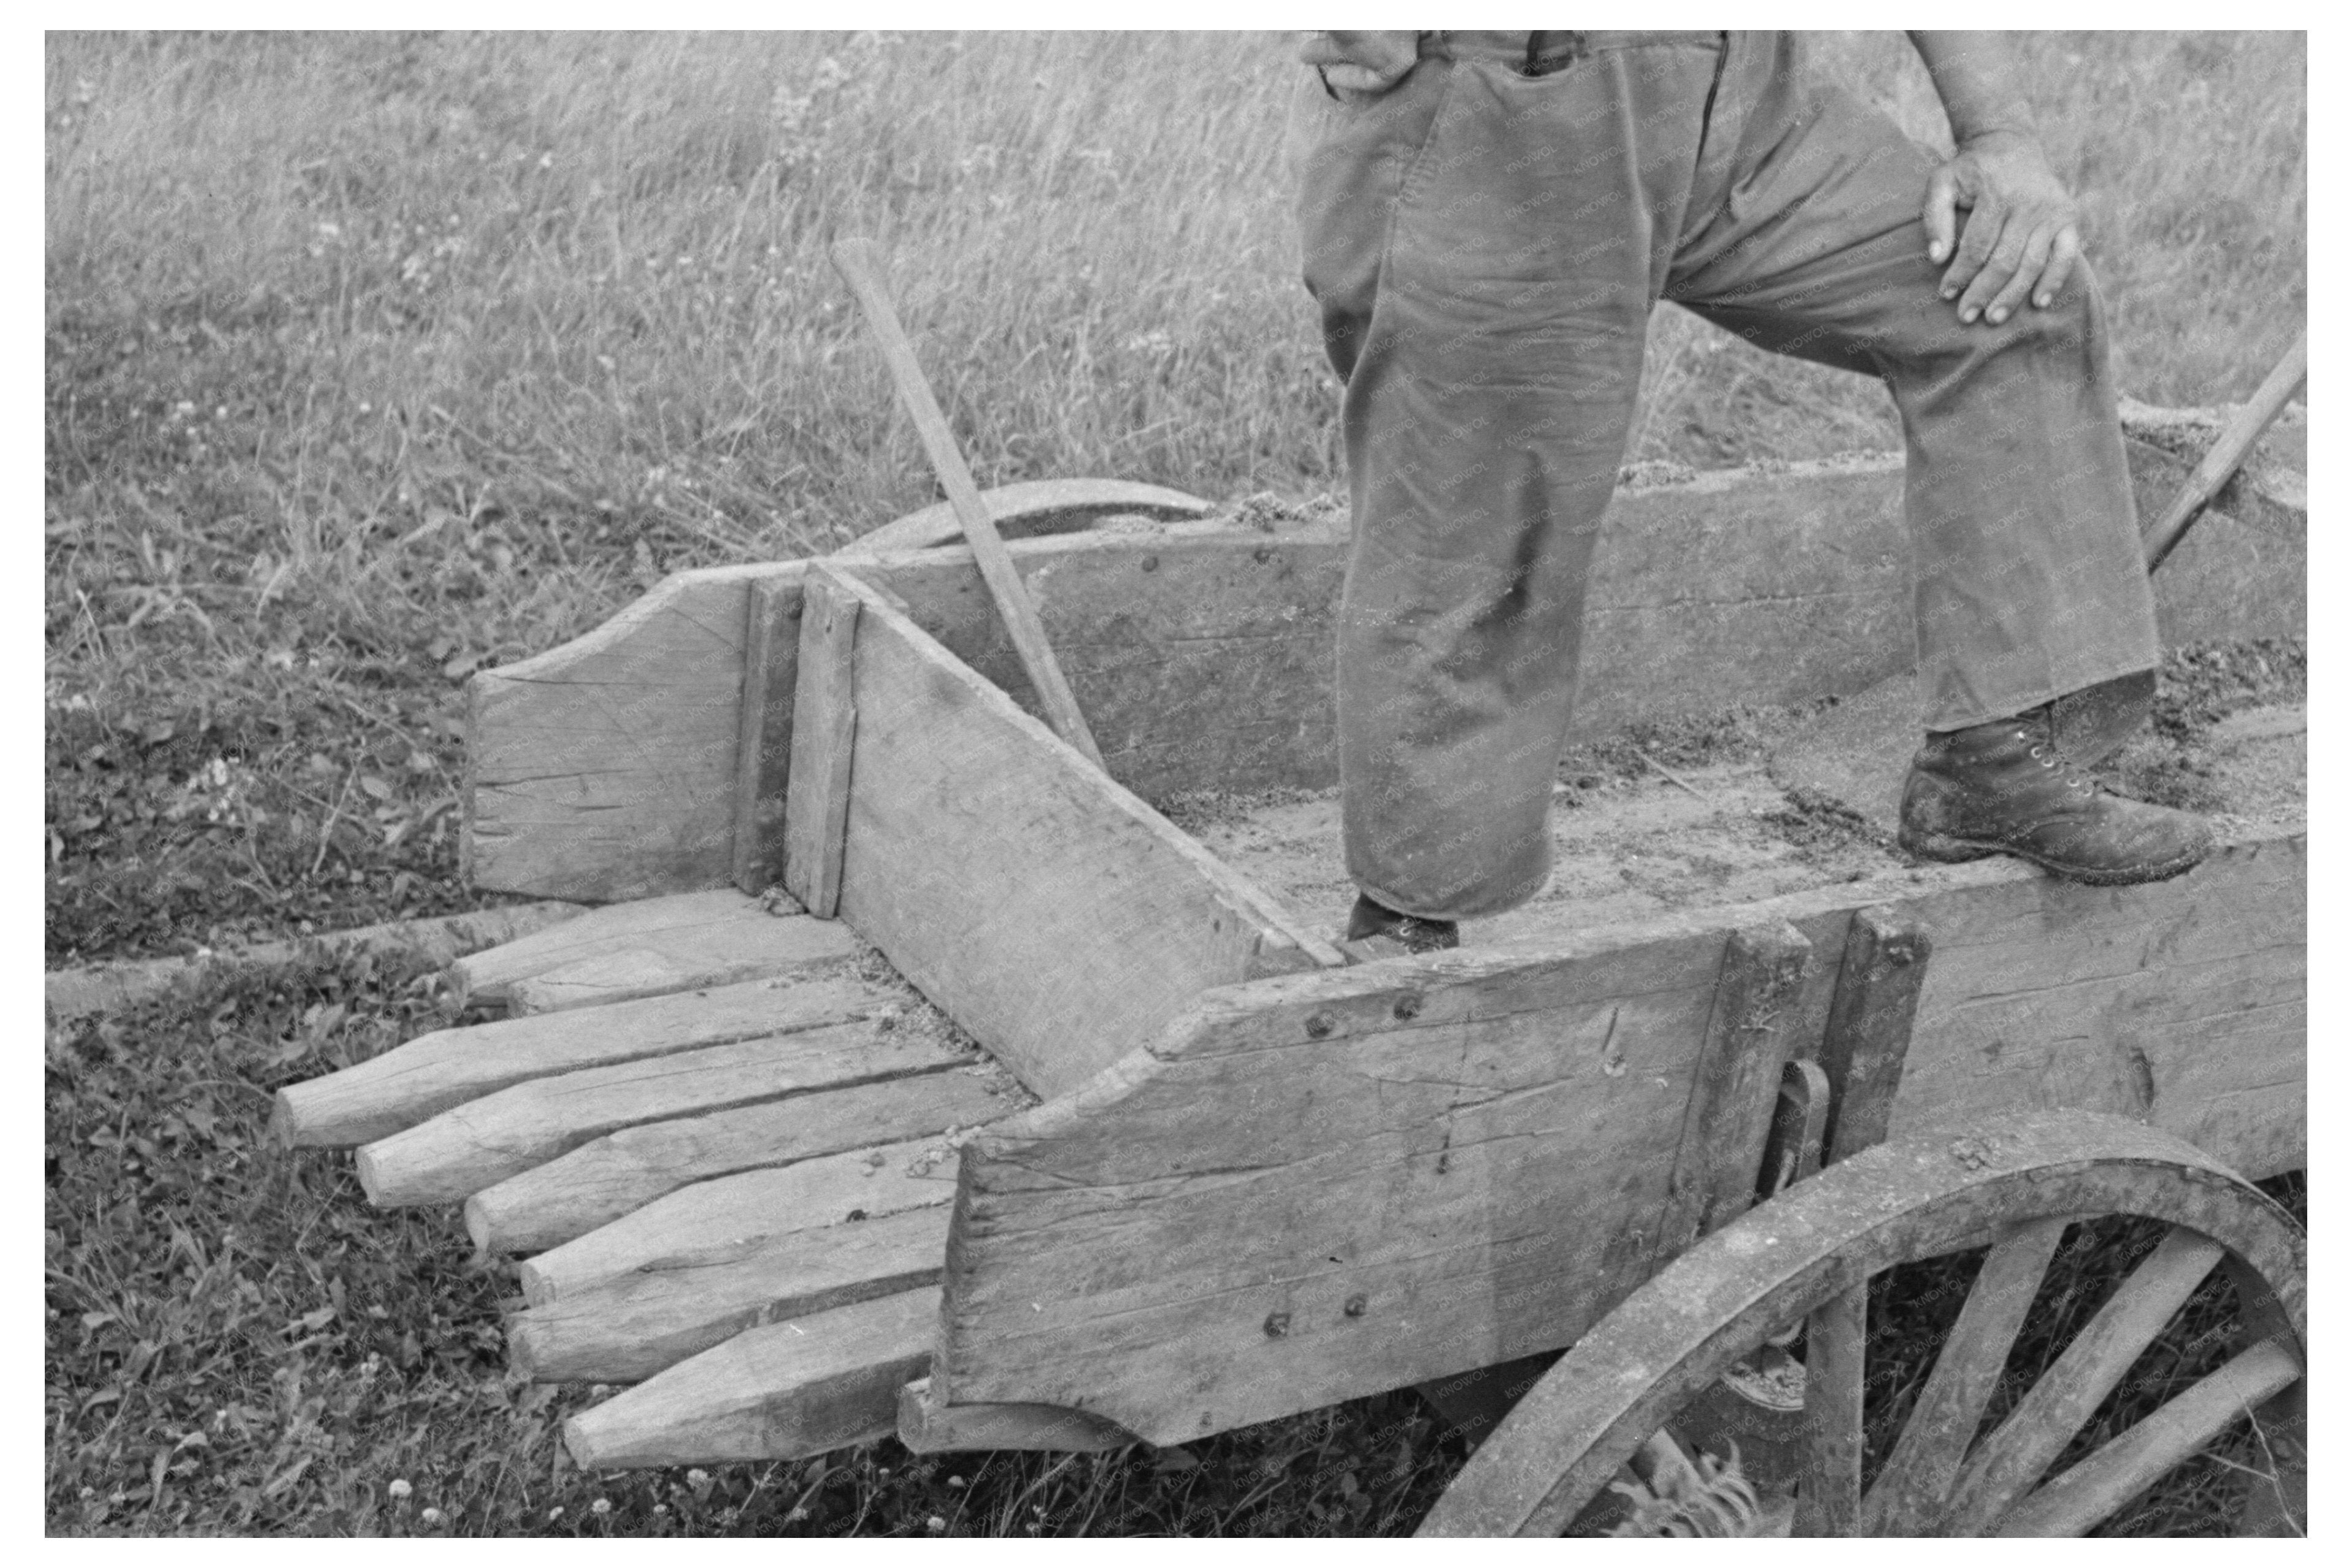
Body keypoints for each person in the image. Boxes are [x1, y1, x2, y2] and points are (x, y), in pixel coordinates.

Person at [1289, 30, 2216, 955]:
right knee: (1481, 513)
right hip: (1512, 98)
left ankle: (1991, 759)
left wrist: (1999, 137)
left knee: (2011, 287)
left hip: (1738, 89)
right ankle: (1407, 921)